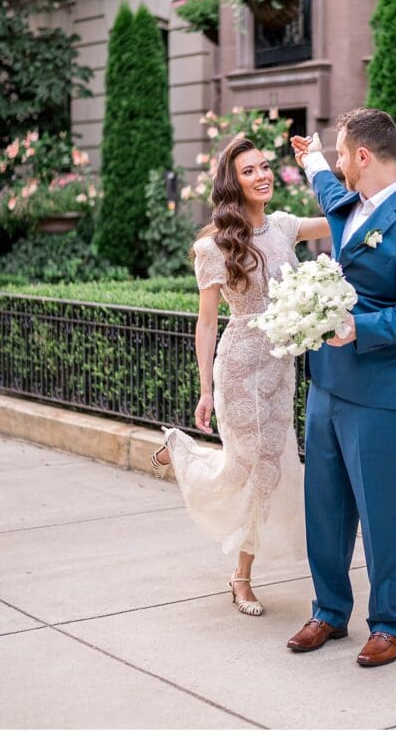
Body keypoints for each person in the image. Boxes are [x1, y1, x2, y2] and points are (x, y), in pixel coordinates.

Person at [287, 107, 396, 666]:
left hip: (383, 391)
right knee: (323, 507)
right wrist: (309, 156)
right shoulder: (345, 201)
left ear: (363, 156)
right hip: (327, 385)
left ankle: (389, 624)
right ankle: (329, 612)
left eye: (340, 153)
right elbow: (326, 183)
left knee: (382, 514)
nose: (335, 163)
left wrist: (362, 327)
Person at [151, 136, 330, 616]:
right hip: (240, 365)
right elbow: (207, 322)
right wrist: (206, 389)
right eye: (250, 170)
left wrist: (318, 161)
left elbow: (341, 215)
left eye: (266, 166)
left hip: (280, 367)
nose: (262, 176)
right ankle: (240, 575)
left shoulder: (286, 227)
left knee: (270, 471)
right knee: (249, 470)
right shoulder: (213, 246)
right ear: (234, 183)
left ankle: (184, 456)